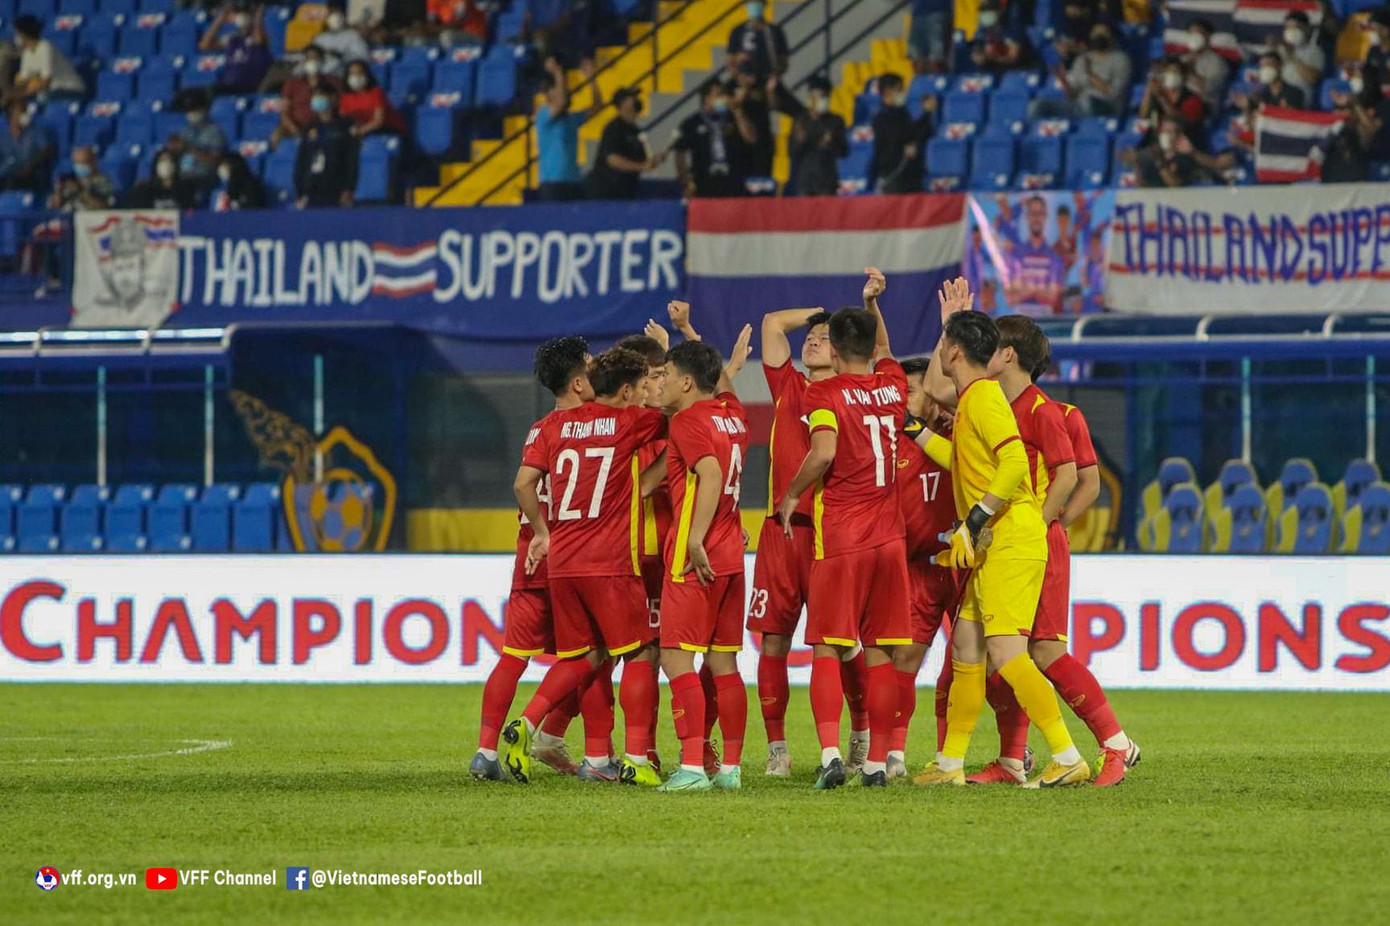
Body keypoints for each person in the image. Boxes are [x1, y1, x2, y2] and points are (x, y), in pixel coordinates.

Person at [911, 281, 1089, 789]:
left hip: (1010, 538)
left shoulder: (985, 398)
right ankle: (950, 765)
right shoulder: (974, 397)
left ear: (953, 352)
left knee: (1009, 653)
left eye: (943, 344)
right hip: (995, 542)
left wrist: (976, 518)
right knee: (967, 648)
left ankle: (1067, 754)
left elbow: (1013, 462)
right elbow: (964, 462)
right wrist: (918, 434)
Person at [964, 316, 1139, 787]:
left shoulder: (1046, 412)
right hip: (1002, 543)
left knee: (1043, 650)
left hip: (1030, 543)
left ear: (1008, 356)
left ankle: (1116, 744)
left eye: (993, 347)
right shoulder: (996, 406)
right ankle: (1012, 760)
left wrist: (1044, 525)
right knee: (1006, 654)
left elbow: (1076, 479)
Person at [502, 347, 669, 787]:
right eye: (644, 385)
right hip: (610, 562)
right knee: (638, 652)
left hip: (564, 562)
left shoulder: (553, 425)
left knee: (586, 656)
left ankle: (539, 726)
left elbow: (523, 483)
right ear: (629, 389)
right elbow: (678, 414)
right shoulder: (630, 421)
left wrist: (541, 531)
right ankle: (636, 758)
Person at [775, 296, 910, 790]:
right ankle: (876, 762)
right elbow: (887, 349)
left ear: (833, 350)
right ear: (870, 349)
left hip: (843, 538)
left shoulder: (824, 394)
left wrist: (793, 493)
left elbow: (824, 451)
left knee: (829, 648)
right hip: (890, 540)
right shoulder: (893, 387)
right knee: (879, 653)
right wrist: (875, 303)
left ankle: (831, 753)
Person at [471, 336, 607, 784]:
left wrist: (538, 533)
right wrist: (552, 534)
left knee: (513, 657)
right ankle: (594, 757)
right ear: (578, 382)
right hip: (573, 558)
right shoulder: (600, 423)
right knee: (588, 656)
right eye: (591, 368)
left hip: (529, 555)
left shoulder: (540, 429)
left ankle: (485, 751)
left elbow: (522, 484)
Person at [747, 301, 870, 779]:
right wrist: (822, 312)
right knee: (772, 641)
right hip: (782, 534)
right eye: (811, 337)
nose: (812, 341)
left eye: (823, 337)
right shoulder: (789, 387)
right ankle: (777, 748)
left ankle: (859, 734)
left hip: (832, 535)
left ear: (840, 350)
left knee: (843, 644)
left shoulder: (851, 394)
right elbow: (772, 322)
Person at [654, 337, 752, 793]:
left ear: (687, 382)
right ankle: (730, 768)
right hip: (733, 553)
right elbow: (724, 386)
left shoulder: (688, 421)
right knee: (725, 664)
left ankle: (692, 765)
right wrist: (690, 335)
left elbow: (710, 473)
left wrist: (694, 539)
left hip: (697, 557)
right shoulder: (733, 415)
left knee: (676, 660)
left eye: (668, 375)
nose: (663, 382)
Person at [887, 356, 958, 780]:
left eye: (911, 392)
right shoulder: (890, 442)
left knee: (970, 665)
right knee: (905, 661)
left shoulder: (958, 433)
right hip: (916, 568)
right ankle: (894, 752)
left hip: (964, 564)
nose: (903, 400)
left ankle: (975, 754)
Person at [1031, 22, 1131, 119]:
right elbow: (1072, 94)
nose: (1098, 37)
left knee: (1087, 102)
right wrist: (1063, 79)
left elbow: (1114, 93)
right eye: (1095, 34)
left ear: (1111, 37)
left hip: (1107, 106)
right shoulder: (1082, 58)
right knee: (1037, 106)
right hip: (1079, 105)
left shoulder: (1121, 59)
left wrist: (1090, 74)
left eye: (1102, 34)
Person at [535, 56, 600, 202]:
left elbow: (597, 106)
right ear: (548, 96)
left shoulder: (571, 118)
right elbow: (562, 102)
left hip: (573, 181)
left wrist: (591, 79)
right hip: (553, 183)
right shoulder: (544, 115)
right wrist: (558, 72)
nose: (565, 91)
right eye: (558, 90)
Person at [673, 78, 746, 199]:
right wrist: (686, 182)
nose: (723, 99)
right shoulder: (691, 123)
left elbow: (749, 138)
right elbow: (680, 153)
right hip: (704, 183)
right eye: (719, 95)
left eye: (724, 94)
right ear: (706, 98)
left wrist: (738, 112)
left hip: (732, 182)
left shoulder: (732, 119)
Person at [585, 88, 658, 200]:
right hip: (606, 192)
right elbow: (613, 159)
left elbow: (642, 159)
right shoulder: (613, 128)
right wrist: (642, 166)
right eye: (632, 98)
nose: (636, 100)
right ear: (623, 103)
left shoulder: (636, 131)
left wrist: (653, 160)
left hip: (626, 191)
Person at [293, 88, 358, 208]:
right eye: (315, 96)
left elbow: (351, 160)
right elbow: (301, 160)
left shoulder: (345, 125)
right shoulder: (309, 127)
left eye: (321, 96)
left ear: (333, 99)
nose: (317, 100)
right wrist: (300, 191)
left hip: (335, 188)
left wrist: (348, 188)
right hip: (311, 188)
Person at [1002, 195, 1065, 316]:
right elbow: (1010, 299)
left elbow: (1053, 298)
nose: (1036, 218)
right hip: (1020, 322)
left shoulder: (1054, 257)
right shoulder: (1016, 256)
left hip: (1046, 321)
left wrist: (1025, 290)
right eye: (1033, 213)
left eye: (1040, 213)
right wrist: (1039, 291)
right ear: (1027, 217)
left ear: (1045, 216)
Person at [786, 75, 848, 196]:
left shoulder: (835, 121)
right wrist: (801, 141)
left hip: (827, 180)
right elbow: (791, 152)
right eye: (820, 97)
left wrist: (832, 143)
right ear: (811, 97)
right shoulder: (801, 121)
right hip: (805, 181)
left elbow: (844, 151)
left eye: (826, 97)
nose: (823, 100)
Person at [869, 73, 930, 193]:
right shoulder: (881, 117)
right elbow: (901, 135)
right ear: (887, 92)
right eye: (900, 89)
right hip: (894, 175)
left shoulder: (903, 112)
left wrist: (926, 115)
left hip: (912, 174)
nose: (904, 92)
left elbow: (917, 133)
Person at [6, 14, 84, 106]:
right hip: (49, 91)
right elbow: (23, 81)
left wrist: (19, 95)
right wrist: (9, 95)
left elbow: (45, 82)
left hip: (71, 90)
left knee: (42, 97)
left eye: (17, 34)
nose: (16, 37)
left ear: (25, 34)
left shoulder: (45, 48)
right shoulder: (27, 53)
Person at [277, 46, 345, 142]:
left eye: (316, 58)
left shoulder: (334, 82)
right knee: (277, 135)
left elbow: (340, 107)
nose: (312, 61)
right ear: (304, 62)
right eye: (309, 58)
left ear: (322, 61)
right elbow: (284, 113)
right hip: (297, 126)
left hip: (325, 125)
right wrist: (296, 131)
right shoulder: (292, 83)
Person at [203, 4, 272, 96]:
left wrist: (257, 18)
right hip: (228, 83)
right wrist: (220, 20)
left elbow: (259, 39)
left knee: (211, 92)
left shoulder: (257, 39)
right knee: (191, 94)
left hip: (247, 85)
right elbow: (206, 44)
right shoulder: (233, 39)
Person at [1139, 57, 1205, 143]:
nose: (1171, 75)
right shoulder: (1159, 92)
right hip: (1154, 141)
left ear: (1183, 76)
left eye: (1175, 72)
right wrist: (1149, 89)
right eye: (1168, 72)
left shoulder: (1192, 99)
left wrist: (1160, 97)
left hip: (1180, 142)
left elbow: (1176, 118)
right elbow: (1143, 115)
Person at [0, 99, 55, 193]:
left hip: (31, 174)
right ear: (11, 117)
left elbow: (49, 150)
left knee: (11, 183)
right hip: (8, 174)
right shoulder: (4, 138)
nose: (26, 115)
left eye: (25, 111)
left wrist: (31, 165)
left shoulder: (36, 132)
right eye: (22, 112)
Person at [339, 59, 405, 137]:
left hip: (387, 129)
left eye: (360, 73)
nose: (356, 77)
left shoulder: (376, 93)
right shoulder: (345, 97)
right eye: (352, 74)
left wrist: (360, 131)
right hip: (362, 131)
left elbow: (379, 121)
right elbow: (344, 118)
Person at [726, 0, 787, 80]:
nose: (754, 5)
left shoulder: (775, 31)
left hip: (768, 77)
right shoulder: (738, 31)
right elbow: (731, 60)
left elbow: (783, 59)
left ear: (764, 4)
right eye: (751, 2)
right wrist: (740, 77)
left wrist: (775, 76)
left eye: (758, 2)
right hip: (743, 78)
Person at [177, 92, 228, 185]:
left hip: (203, 177)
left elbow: (216, 160)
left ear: (203, 110)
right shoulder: (186, 131)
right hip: (183, 176)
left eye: (194, 109)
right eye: (189, 110)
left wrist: (191, 150)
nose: (191, 113)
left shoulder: (214, 131)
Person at [1272, 10, 1325, 100]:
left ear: (1306, 28)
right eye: (1288, 28)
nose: (1291, 32)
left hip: (1300, 94)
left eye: (1295, 27)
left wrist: (1292, 57)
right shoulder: (1282, 49)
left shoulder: (1314, 51)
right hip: (1281, 92)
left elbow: (1312, 78)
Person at [125, 149, 199, 209]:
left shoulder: (186, 189)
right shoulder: (144, 189)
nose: (166, 164)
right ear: (156, 165)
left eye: (169, 161)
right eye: (162, 161)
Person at [312, 2, 370, 77]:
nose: (335, 17)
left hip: (342, 75)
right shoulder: (319, 38)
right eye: (332, 13)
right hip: (321, 76)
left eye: (338, 13)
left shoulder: (353, 35)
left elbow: (363, 57)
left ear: (344, 15)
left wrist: (341, 56)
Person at [969, 1, 1026, 76]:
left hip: (1014, 73)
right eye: (983, 12)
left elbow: (1012, 57)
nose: (986, 15)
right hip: (989, 72)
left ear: (999, 11)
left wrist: (989, 57)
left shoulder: (1012, 27)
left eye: (989, 11)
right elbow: (976, 54)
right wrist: (979, 57)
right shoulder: (981, 30)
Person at [47, 146, 114, 210]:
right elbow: (55, 204)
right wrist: (58, 195)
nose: (79, 167)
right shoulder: (69, 179)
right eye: (77, 163)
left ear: (93, 163)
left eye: (83, 163)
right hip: (68, 218)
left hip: (90, 219)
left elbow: (104, 208)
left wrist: (80, 193)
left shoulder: (102, 181)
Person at [1182, 18, 1229, 108]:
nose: (1194, 37)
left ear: (1207, 36)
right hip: (1181, 105)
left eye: (1198, 33)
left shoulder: (1217, 63)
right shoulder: (1183, 58)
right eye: (1191, 33)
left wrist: (1190, 67)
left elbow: (1204, 88)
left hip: (1204, 107)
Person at [908, 0, 953, 73]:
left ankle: (938, 82)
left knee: (936, 59)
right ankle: (921, 83)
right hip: (917, 13)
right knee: (916, 57)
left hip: (938, 12)